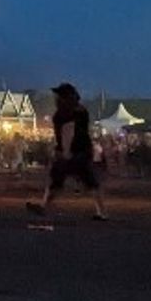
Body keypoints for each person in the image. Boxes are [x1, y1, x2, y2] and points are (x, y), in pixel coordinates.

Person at [28, 82, 108, 221]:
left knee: (79, 179)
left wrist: (64, 152)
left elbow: (68, 132)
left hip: (76, 152)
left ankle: (44, 206)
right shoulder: (78, 112)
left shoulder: (67, 114)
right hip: (79, 151)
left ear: (66, 98)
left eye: (59, 96)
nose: (56, 98)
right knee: (86, 181)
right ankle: (101, 212)